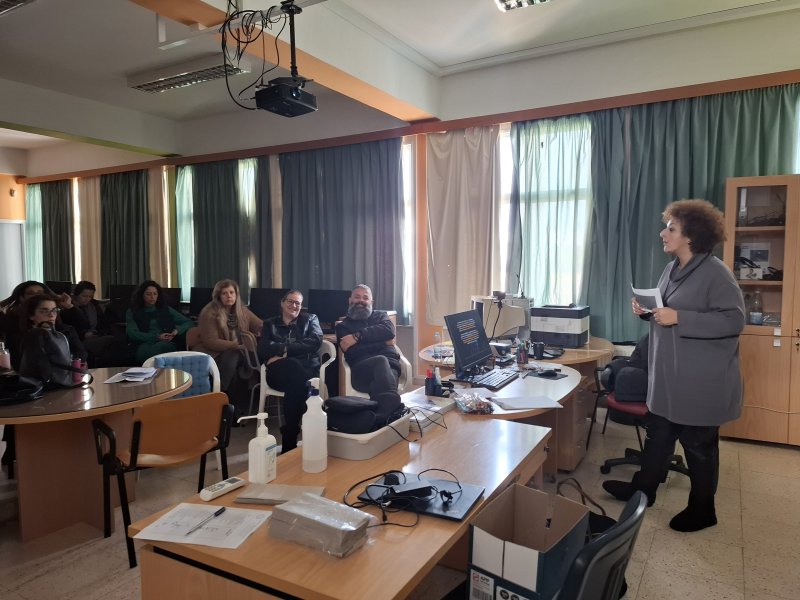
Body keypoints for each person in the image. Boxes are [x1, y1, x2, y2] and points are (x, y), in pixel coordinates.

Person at [602, 199, 745, 533]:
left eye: (671, 228)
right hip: (669, 377)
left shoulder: (716, 273)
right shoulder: (671, 270)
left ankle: (703, 510)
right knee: (659, 437)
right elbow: (664, 311)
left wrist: (680, 316)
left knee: (699, 448)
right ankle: (643, 491)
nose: (662, 233)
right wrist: (646, 311)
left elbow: (733, 321)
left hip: (700, 382)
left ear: (691, 235)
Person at [257, 290, 322, 453]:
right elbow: (263, 349)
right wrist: (296, 350)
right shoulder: (270, 324)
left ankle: (290, 437)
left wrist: (283, 352)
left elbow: (315, 342)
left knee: (295, 384)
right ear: (282, 303)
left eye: (298, 303)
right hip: (279, 375)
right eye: (290, 301)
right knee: (297, 375)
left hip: (305, 369)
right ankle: (316, 426)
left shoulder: (310, 319)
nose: (294, 306)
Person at [335, 284, 402, 424]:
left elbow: (389, 331)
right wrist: (383, 342)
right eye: (357, 297)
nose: (361, 300)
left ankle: (377, 420)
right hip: (362, 372)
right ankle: (392, 412)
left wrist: (357, 337)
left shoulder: (381, 316)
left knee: (379, 384)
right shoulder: (343, 326)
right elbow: (353, 352)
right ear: (350, 300)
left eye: (365, 298)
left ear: (371, 302)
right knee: (380, 361)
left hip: (390, 367)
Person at [195, 279, 263, 405]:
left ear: (236, 295)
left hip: (239, 351)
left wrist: (262, 330)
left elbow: (258, 324)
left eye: (232, 292)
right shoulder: (209, 312)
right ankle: (222, 394)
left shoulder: (241, 310)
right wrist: (236, 345)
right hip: (215, 353)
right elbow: (210, 341)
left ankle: (229, 401)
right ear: (218, 296)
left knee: (255, 354)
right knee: (233, 357)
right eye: (224, 293)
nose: (229, 296)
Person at [0, 281, 75, 369]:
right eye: (31, 293)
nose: (51, 315)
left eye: (40, 293)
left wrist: (69, 306)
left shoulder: (62, 326)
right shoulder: (13, 325)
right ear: (21, 298)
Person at [126, 280, 195, 364]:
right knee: (143, 352)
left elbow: (188, 322)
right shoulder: (132, 312)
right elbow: (132, 333)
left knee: (158, 349)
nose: (152, 297)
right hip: (143, 342)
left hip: (166, 342)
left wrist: (177, 331)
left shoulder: (165, 309)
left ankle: (155, 371)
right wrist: (157, 337)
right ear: (141, 295)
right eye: (148, 294)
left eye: (155, 294)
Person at [60, 281, 123, 367]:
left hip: (95, 335)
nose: (87, 299)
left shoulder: (93, 306)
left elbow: (103, 324)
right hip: (79, 339)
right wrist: (84, 334)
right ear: (76, 295)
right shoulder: (68, 308)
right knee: (112, 342)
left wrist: (97, 333)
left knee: (115, 340)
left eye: (90, 296)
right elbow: (70, 328)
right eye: (84, 296)